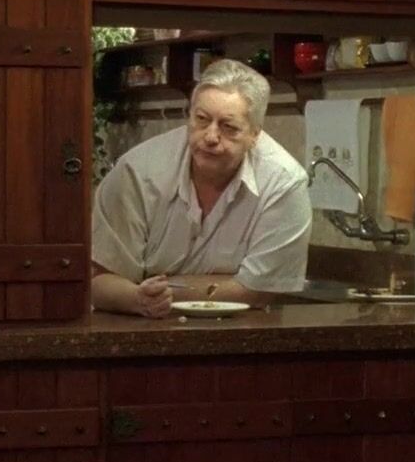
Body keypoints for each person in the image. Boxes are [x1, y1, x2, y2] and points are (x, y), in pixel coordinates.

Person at [91, 58, 312, 318]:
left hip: (239, 332)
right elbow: (98, 282)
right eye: (202, 119)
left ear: (255, 134)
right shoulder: (137, 172)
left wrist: (160, 289)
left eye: (228, 127)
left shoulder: (283, 183)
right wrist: (138, 299)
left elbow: (258, 291)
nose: (210, 136)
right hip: (136, 328)